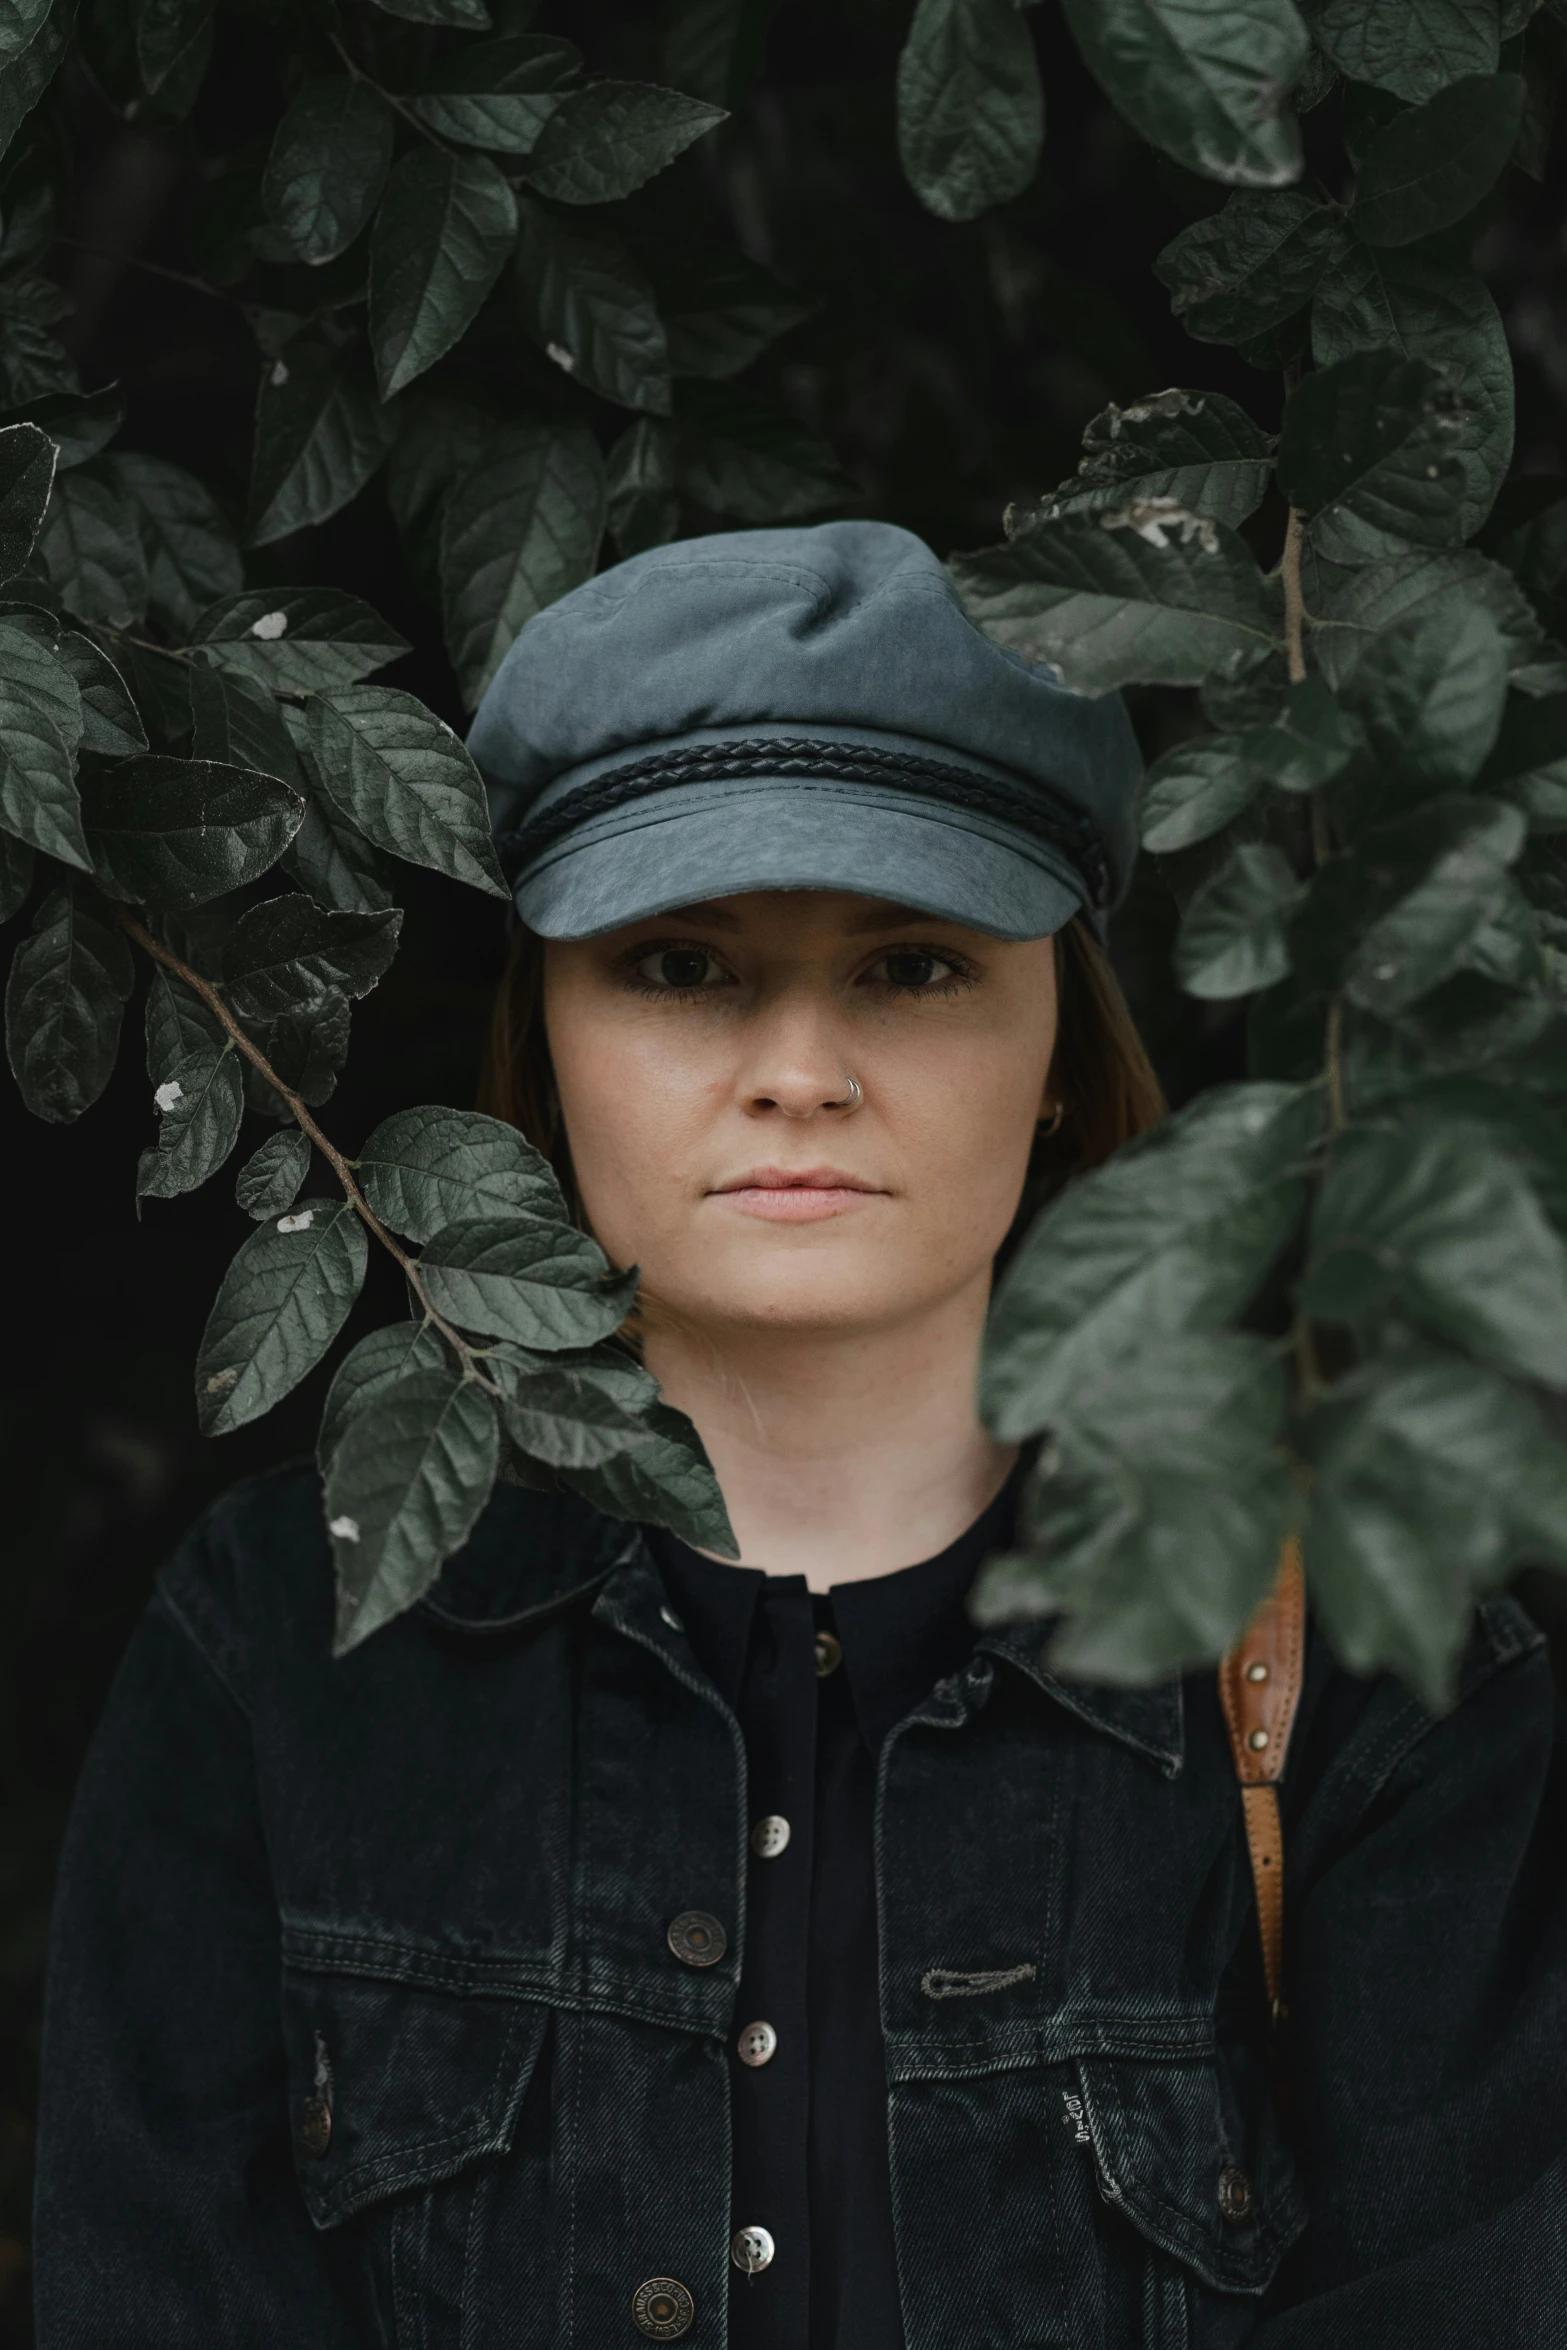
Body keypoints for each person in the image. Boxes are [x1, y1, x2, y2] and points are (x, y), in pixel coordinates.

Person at [33, 524, 1567, 2349]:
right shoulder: (288, 1634)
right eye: (681, 964)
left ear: (1061, 1040)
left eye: (912, 966)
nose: (798, 1068)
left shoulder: (1367, 1661)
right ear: (552, 1032)